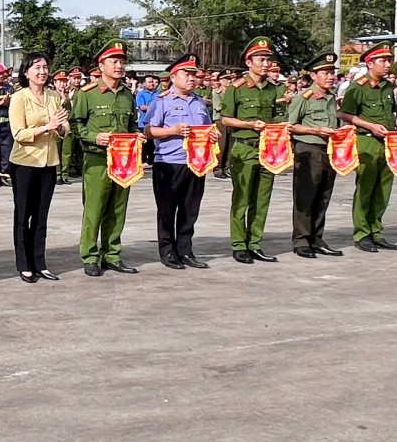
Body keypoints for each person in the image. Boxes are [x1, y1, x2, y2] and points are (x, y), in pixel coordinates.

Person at [72, 40, 141, 276]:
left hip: (124, 160)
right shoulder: (87, 94)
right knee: (94, 209)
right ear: (101, 66)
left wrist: (137, 136)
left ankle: (112, 253)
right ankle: (90, 256)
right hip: (97, 160)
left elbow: (132, 124)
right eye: (114, 61)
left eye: (122, 61)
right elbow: (75, 126)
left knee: (117, 208)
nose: (119, 66)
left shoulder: (126, 95)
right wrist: (94, 136)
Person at [141, 53, 214, 269]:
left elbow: (208, 127)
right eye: (186, 74)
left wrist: (213, 135)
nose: (191, 78)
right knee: (167, 209)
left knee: (190, 210)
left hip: (195, 162)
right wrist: (172, 130)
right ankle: (167, 250)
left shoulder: (200, 102)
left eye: (194, 74)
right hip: (169, 162)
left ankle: (185, 249)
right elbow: (148, 130)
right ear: (173, 77)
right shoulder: (162, 101)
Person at [218, 36, 285, 264]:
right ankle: (238, 244)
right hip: (244, 149)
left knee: (262, 199)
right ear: (249, 62)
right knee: (242, 199)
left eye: (268, 59)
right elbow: (226, 119)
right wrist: (249, 124)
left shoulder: (272, 89)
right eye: (261, 59)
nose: (266, 63)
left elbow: (277, 116)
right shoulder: (236, 88)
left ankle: (255, 242)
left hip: (268, 149)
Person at [5, 50, 68, 282]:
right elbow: (19, 134)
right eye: (37, 68)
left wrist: (60, 128)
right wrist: (47, 127)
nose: (42, 72)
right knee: (23, 215)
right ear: (26, 72)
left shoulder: (53, 96)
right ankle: (24, 263)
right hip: (24, 163)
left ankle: (40, 261)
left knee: (41, 216)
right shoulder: (19, 97)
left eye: (45, 67)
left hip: (49, 162)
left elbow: (64, 127)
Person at [339, 43, 397, 252]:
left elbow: (391, 113)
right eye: (382, 61)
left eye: (389, 61)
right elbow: (345, 114)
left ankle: (377, 231)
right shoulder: (358, 87)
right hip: (367, 141)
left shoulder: (387, 87)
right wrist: (370, 126)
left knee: (383, 190)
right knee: (365, 190)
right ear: (370, 63)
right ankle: (362, 233)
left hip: (389, 142)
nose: (387, 65)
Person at [286, 53, 343, 258]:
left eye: (332, 73)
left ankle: (316, 238)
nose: (330, 77)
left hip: (329, 150)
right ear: (314, 75)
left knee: (323, 196)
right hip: (308, 150)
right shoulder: (304, 97)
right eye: (325, 73)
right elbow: (290, 126)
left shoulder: (331, 97)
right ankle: (301, 240)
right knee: (305, 196)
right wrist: (315, 131)